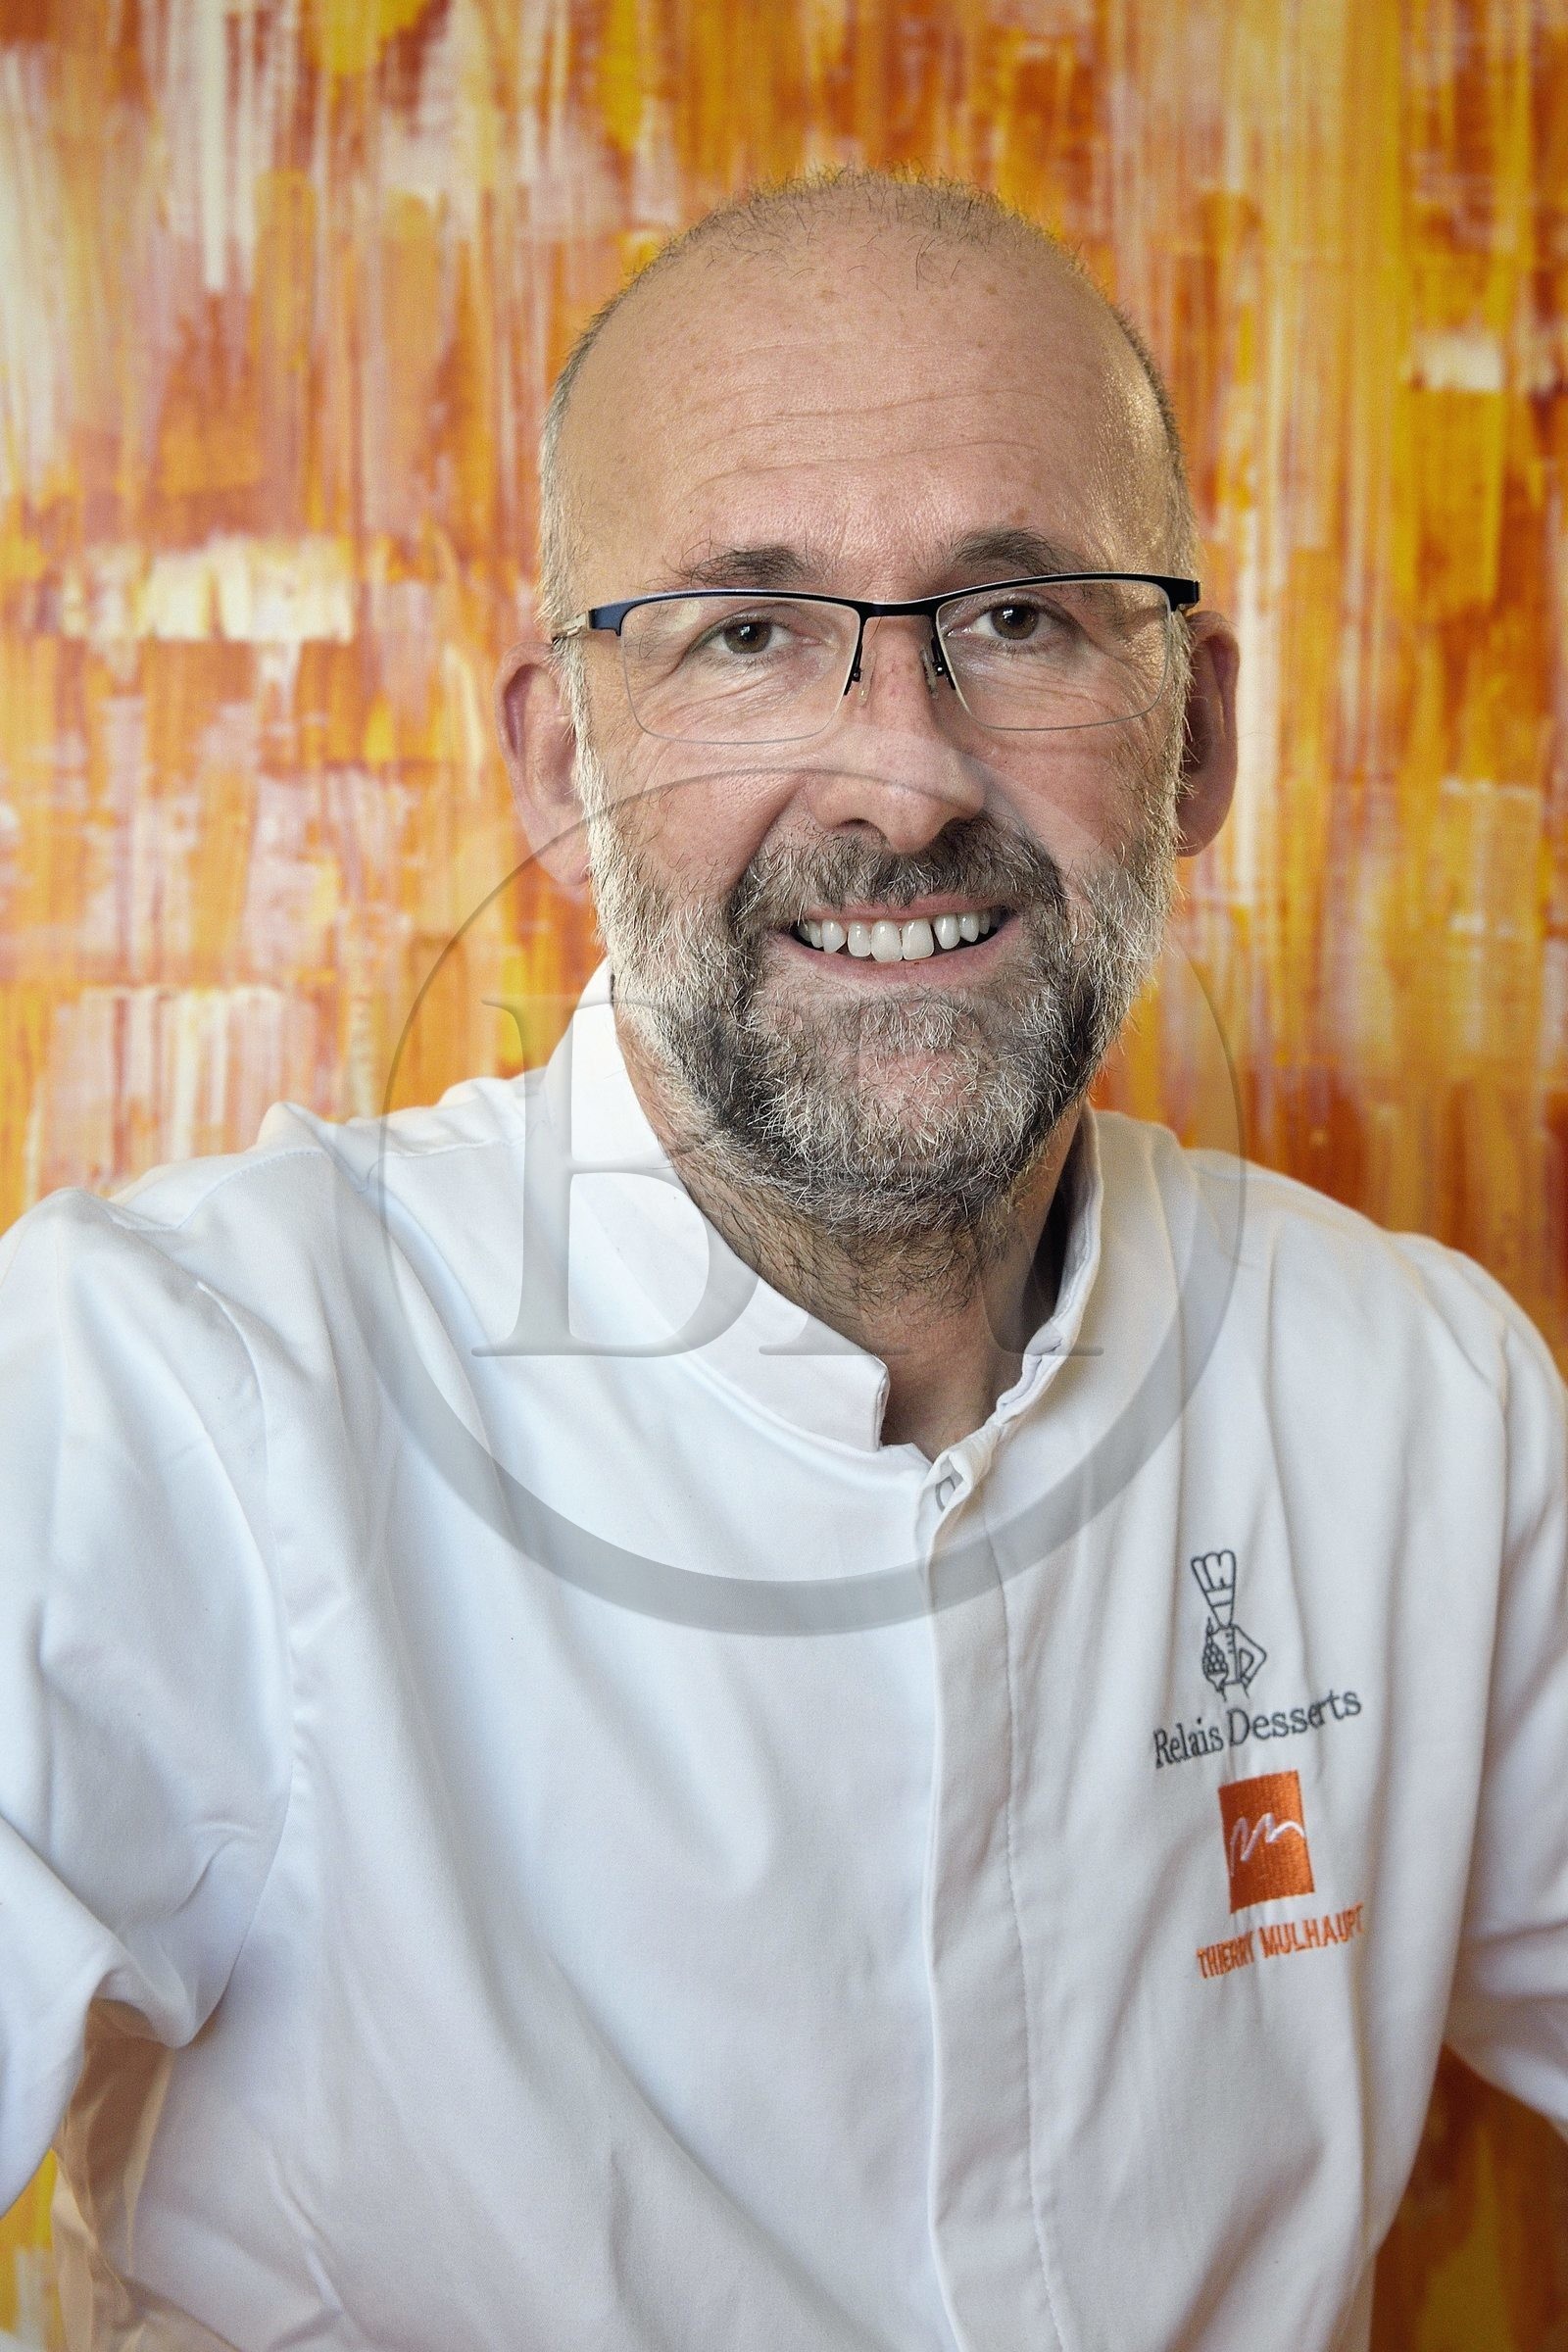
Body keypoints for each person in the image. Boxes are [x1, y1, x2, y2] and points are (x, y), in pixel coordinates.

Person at [0, 169, 1563, 2352]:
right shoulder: (160, 1392)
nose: (901, 780)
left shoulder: (1430, 1410)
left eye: (1017, 618)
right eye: (746, 632)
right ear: (562, 765)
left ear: (1196, 738)